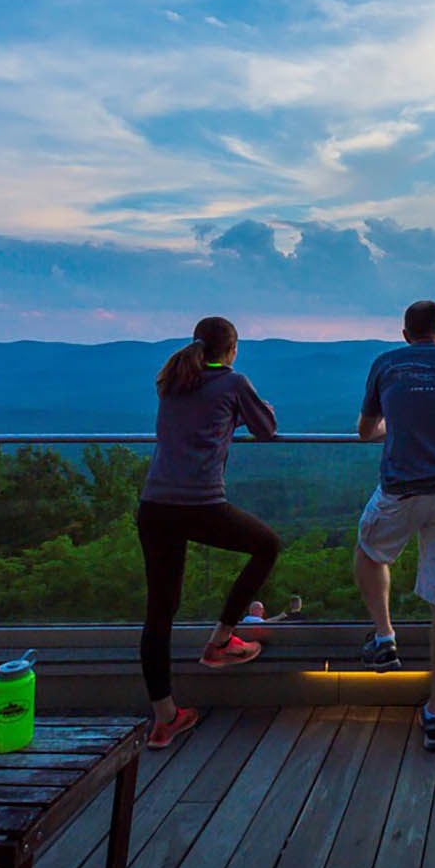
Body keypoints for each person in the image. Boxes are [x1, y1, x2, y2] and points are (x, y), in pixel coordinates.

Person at [136, 316, 280, 749]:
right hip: (199, 504)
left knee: (159, 613)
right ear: (232, 350)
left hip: (155, 506)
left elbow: (192, 424)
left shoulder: (173, 381)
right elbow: (266, 429)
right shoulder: (234, 382)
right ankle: (220, 640)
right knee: (267, 546)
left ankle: (165, 719)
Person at [353, 299, 435, 751]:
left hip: (402, 489)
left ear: (405, 332)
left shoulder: (386, 362)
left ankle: (385, 634)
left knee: (370, 553)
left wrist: (401, 428)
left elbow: (365, 431)